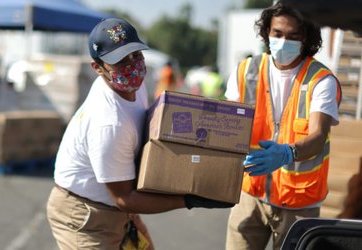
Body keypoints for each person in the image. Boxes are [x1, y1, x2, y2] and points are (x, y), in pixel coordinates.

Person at [46, 17, 231, 250]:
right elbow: (124, 198)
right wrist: (188, 199)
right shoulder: (109, 123)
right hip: (85, 218)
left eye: (136, 55)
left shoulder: (135, 87)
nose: (132, 65)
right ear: (98, 67)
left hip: (120, 210)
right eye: (121, 61)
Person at [224, 1, 342, 250]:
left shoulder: (321, 80)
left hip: (299, 203)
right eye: (277, 33)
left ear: (306, 38)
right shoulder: (246, 71)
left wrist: (289, 153)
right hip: (249, 193)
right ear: (267, 31)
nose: (283, 41)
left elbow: (319, 135)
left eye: (293, 36)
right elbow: (227, 124)